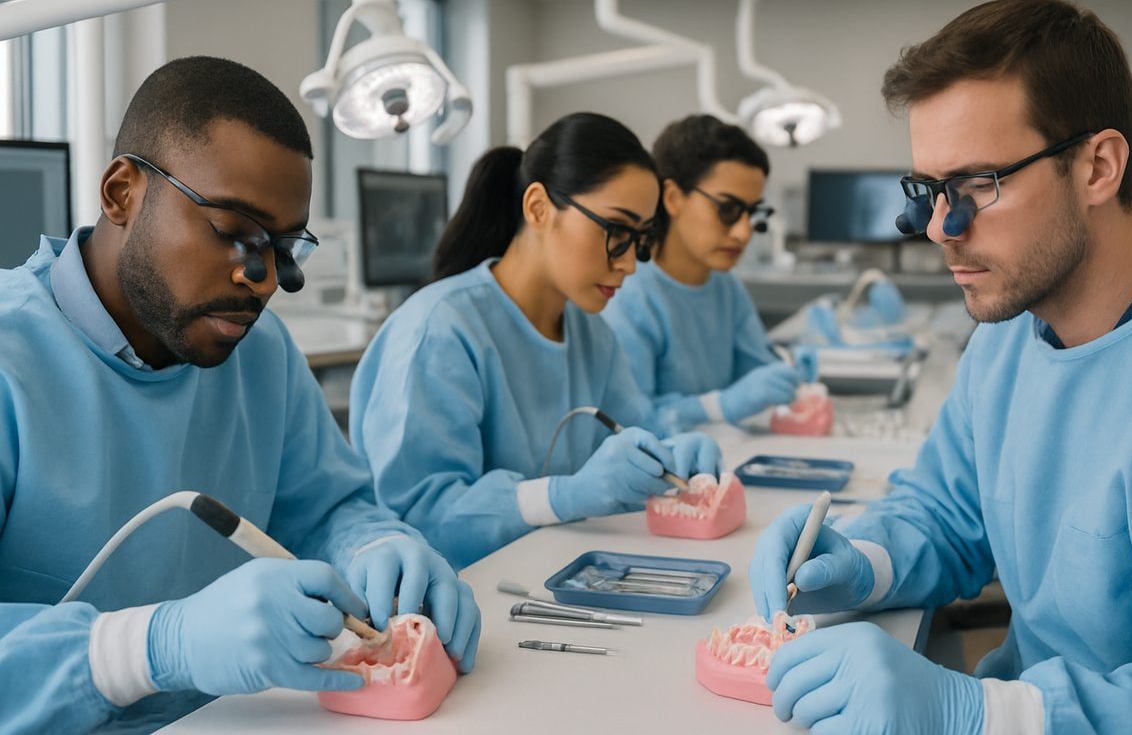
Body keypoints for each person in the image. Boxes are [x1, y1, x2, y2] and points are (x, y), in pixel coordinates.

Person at [750, 0, 1132, 734]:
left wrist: (975, 711)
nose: (938, 229)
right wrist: (862, 557)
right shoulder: (1008, 330)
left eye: (975, 188)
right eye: (929, 191)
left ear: (1098, 167)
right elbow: (950, 512)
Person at [0, 56, 479, 734]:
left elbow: (326, 506)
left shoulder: (261, 351)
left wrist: (371, 545)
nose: (261, 280)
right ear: (121, 193)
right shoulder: (11, 361)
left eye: (284, 248)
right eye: (234, 233)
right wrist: (147, 649)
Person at [350, 112, 721, 570]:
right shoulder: (440, 330)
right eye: (617, 233)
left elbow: (634, 434)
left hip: (552, 575)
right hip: (454, 599)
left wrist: (670, 456)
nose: (629, 264)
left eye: (640, 241)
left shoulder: (591, 334)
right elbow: (417, 521)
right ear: (539, 208)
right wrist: (563, 495)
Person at [601, 114, 811, 434]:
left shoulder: (725, 287)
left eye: (752, 213)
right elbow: (628, 426)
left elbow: (760, 372)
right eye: (727, 209)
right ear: (672, 198)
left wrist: (793, 376)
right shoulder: (628, 297)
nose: (744, 232)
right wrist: (717, 406)